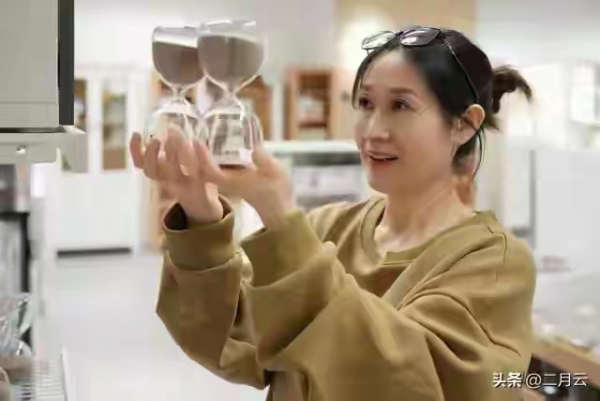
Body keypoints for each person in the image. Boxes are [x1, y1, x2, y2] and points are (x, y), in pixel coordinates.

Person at [130, 26, 535, 401]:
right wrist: (200, 213)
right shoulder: (326, 227)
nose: (372, 130)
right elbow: (230, 340)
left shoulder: (494, 262)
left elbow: (408, 382)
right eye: (365, 104)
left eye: (400, 105)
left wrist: (281, 218)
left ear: (464, 124)